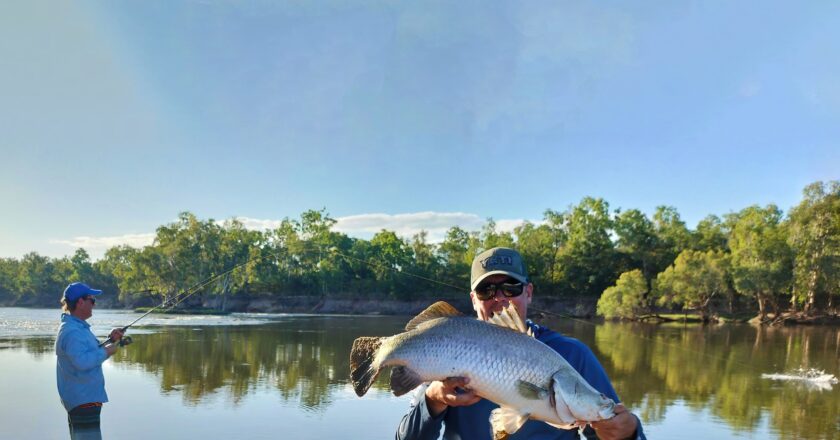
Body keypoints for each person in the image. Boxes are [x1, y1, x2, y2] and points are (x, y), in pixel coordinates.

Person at [396, 247, 646, 440]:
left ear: (528, 292)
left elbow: (615, 430)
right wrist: (434, 398)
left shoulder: (573, 354)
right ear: (474, 299)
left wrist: (628, 433)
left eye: (511, 287)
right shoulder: (448, 348)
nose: (500, 299)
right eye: (486, 291)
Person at [55, 282, 125, 440]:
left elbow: (87, 352)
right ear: (80, 302)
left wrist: (110, 340)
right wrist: (107, 351)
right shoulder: (72, 331)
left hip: (83, 399)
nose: (94, 304)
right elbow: (82, 362)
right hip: (83, 401)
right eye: (92, 300)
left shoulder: (77, 328)